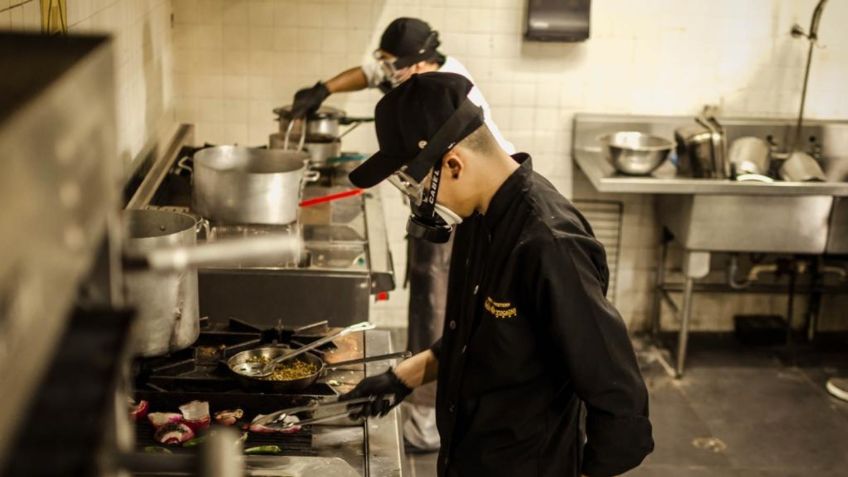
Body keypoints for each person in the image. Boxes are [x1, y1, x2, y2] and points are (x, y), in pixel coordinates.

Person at [339, 72, 654, 477]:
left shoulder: (549, 244)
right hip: (470, 457)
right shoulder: (478, 217)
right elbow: (480, 338)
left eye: (416, 185)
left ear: (453, 164)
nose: (417, 199)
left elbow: (621, 405)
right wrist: (403, 377)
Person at [290, 17, 514, 451]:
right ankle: (424, 404)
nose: (385, 71)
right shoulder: (410, 68)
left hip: (462, 210)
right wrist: (323, 89)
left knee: (437, 306)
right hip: (436, 204)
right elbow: (368, 73)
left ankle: (428, 422)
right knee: (429, 306)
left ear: (417, 64)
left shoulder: (446, 90)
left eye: (393, 64)